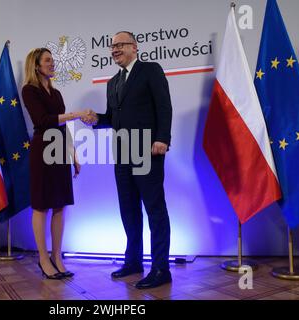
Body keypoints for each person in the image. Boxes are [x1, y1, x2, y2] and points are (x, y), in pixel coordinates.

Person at [86, 31, 173, 289]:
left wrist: (162, 138)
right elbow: (114, 118)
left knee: (155, 210)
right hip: (122, 154)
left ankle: (161, 268)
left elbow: (164, 106)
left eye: (119, 45)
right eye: (111, 46)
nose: (114, 49)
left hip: (147, 150)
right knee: (128, 209)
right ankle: (133, 261)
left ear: (134, 47)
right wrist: (96, 119)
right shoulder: (112, 82)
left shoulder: (150, 70)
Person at [22, 48, 93, 279]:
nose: (53, 64)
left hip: (61, 149)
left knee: (60, 205)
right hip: (43, 149)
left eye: (52, 60)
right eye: (48, 60)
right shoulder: (29, 90)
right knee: (41, 205)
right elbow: (43, 121)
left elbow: (62, 127)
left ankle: (57, 257)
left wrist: (73, 154)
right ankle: (43, 259)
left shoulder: (57, 93)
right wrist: (75, 114)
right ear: (36, 65)